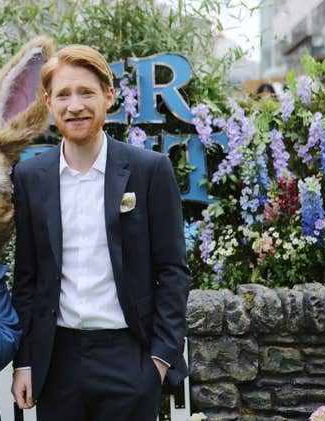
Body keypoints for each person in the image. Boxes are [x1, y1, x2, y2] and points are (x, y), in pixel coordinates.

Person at [10, 44, 191, 421]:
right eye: (63, 94)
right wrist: (23, 362)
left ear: (108, 96)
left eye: (86, 92)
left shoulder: (149, 170)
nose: (75, 105)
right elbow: (26, 278)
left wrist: (158, 361)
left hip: (130, 357)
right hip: (57, 361)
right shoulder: (30, 178)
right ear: (48, 102)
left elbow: (173, 271)